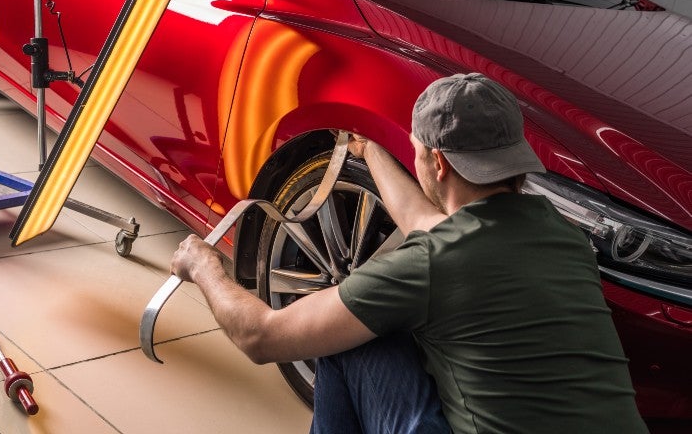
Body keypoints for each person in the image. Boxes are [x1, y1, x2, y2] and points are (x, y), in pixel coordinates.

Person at [169, 73, 648, 434]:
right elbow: (434, 227)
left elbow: (261, 337)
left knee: (344, 336)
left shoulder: (430, 264)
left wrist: (204, 266)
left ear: (437, 163)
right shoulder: (561, 234)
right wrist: (371, 153)